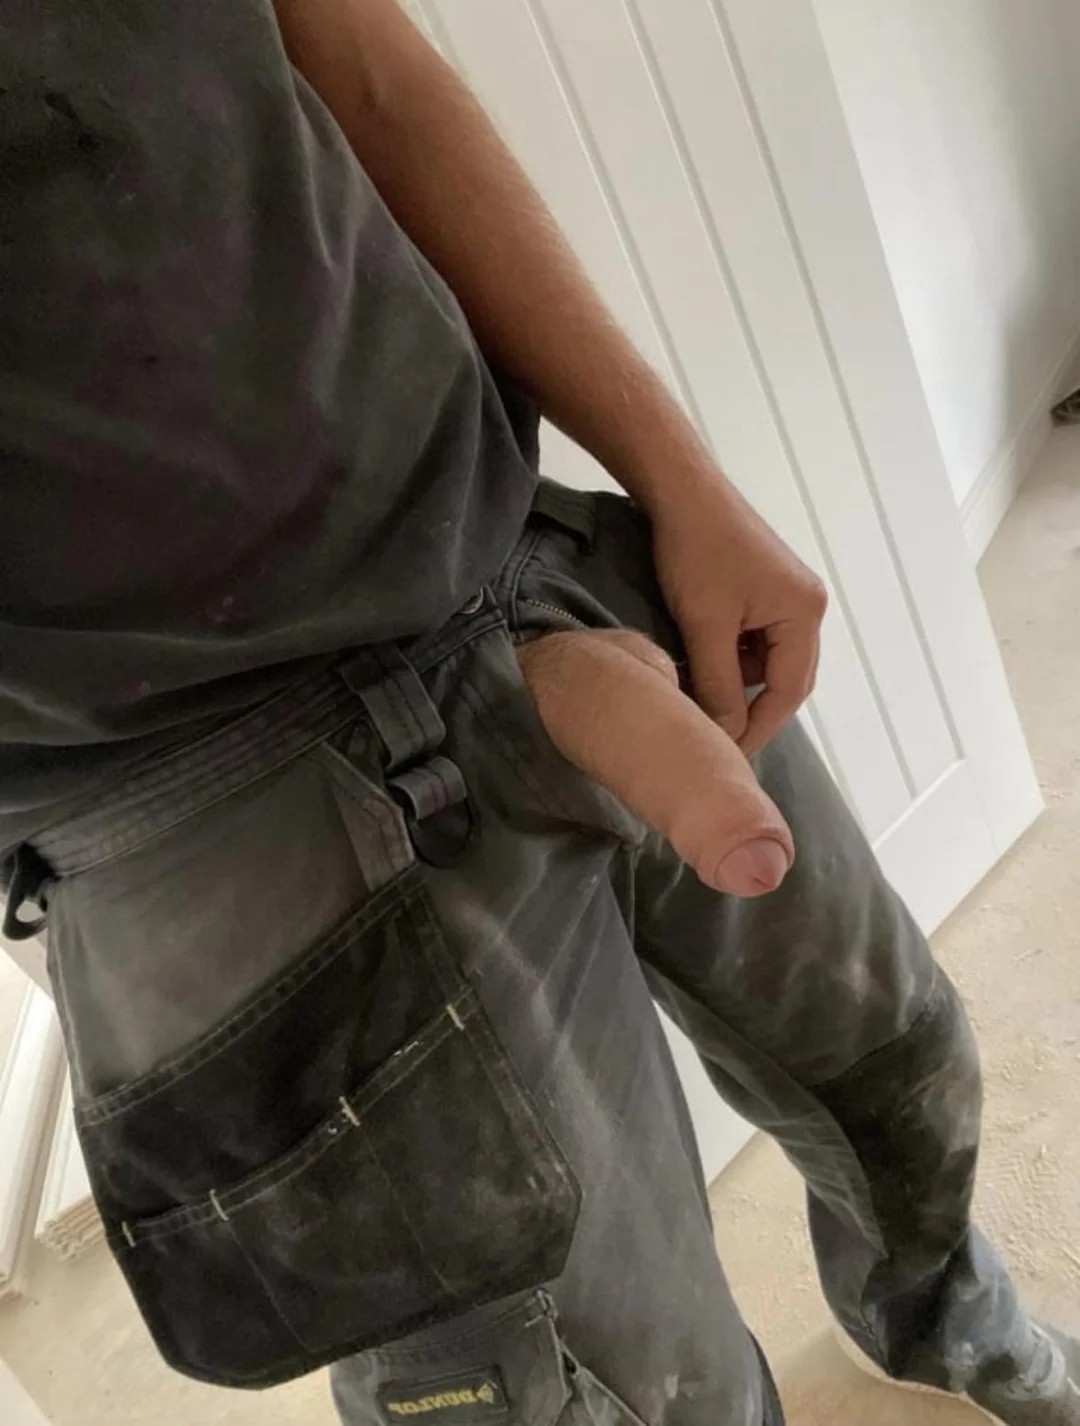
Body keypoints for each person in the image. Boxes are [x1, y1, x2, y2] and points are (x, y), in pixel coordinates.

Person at [0, 2, 1076, 1423]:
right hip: (201, 817)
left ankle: (953, 1331)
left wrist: (680, 478)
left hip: (510, 555)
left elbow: (371, 71)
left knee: (895, 1060)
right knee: (586, 1385)